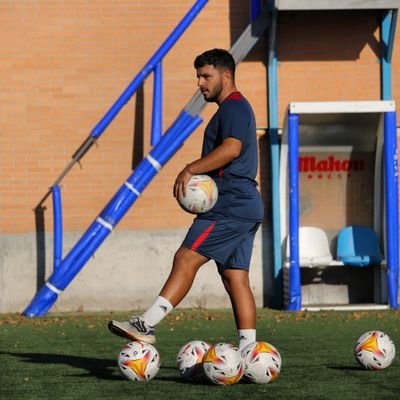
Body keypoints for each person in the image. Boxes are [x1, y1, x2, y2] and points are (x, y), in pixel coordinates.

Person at [108, 48, 264, 350]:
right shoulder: (236, 108)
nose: (200, 83)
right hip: (247, 205)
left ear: (226, 75)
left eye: (206, 76)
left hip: (229, 205)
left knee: (186, 257)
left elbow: (232, 149)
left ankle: (146, 324)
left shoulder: (233, 107)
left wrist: (190, 168)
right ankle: (249, 351)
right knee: (235, 278)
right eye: (198, 76)